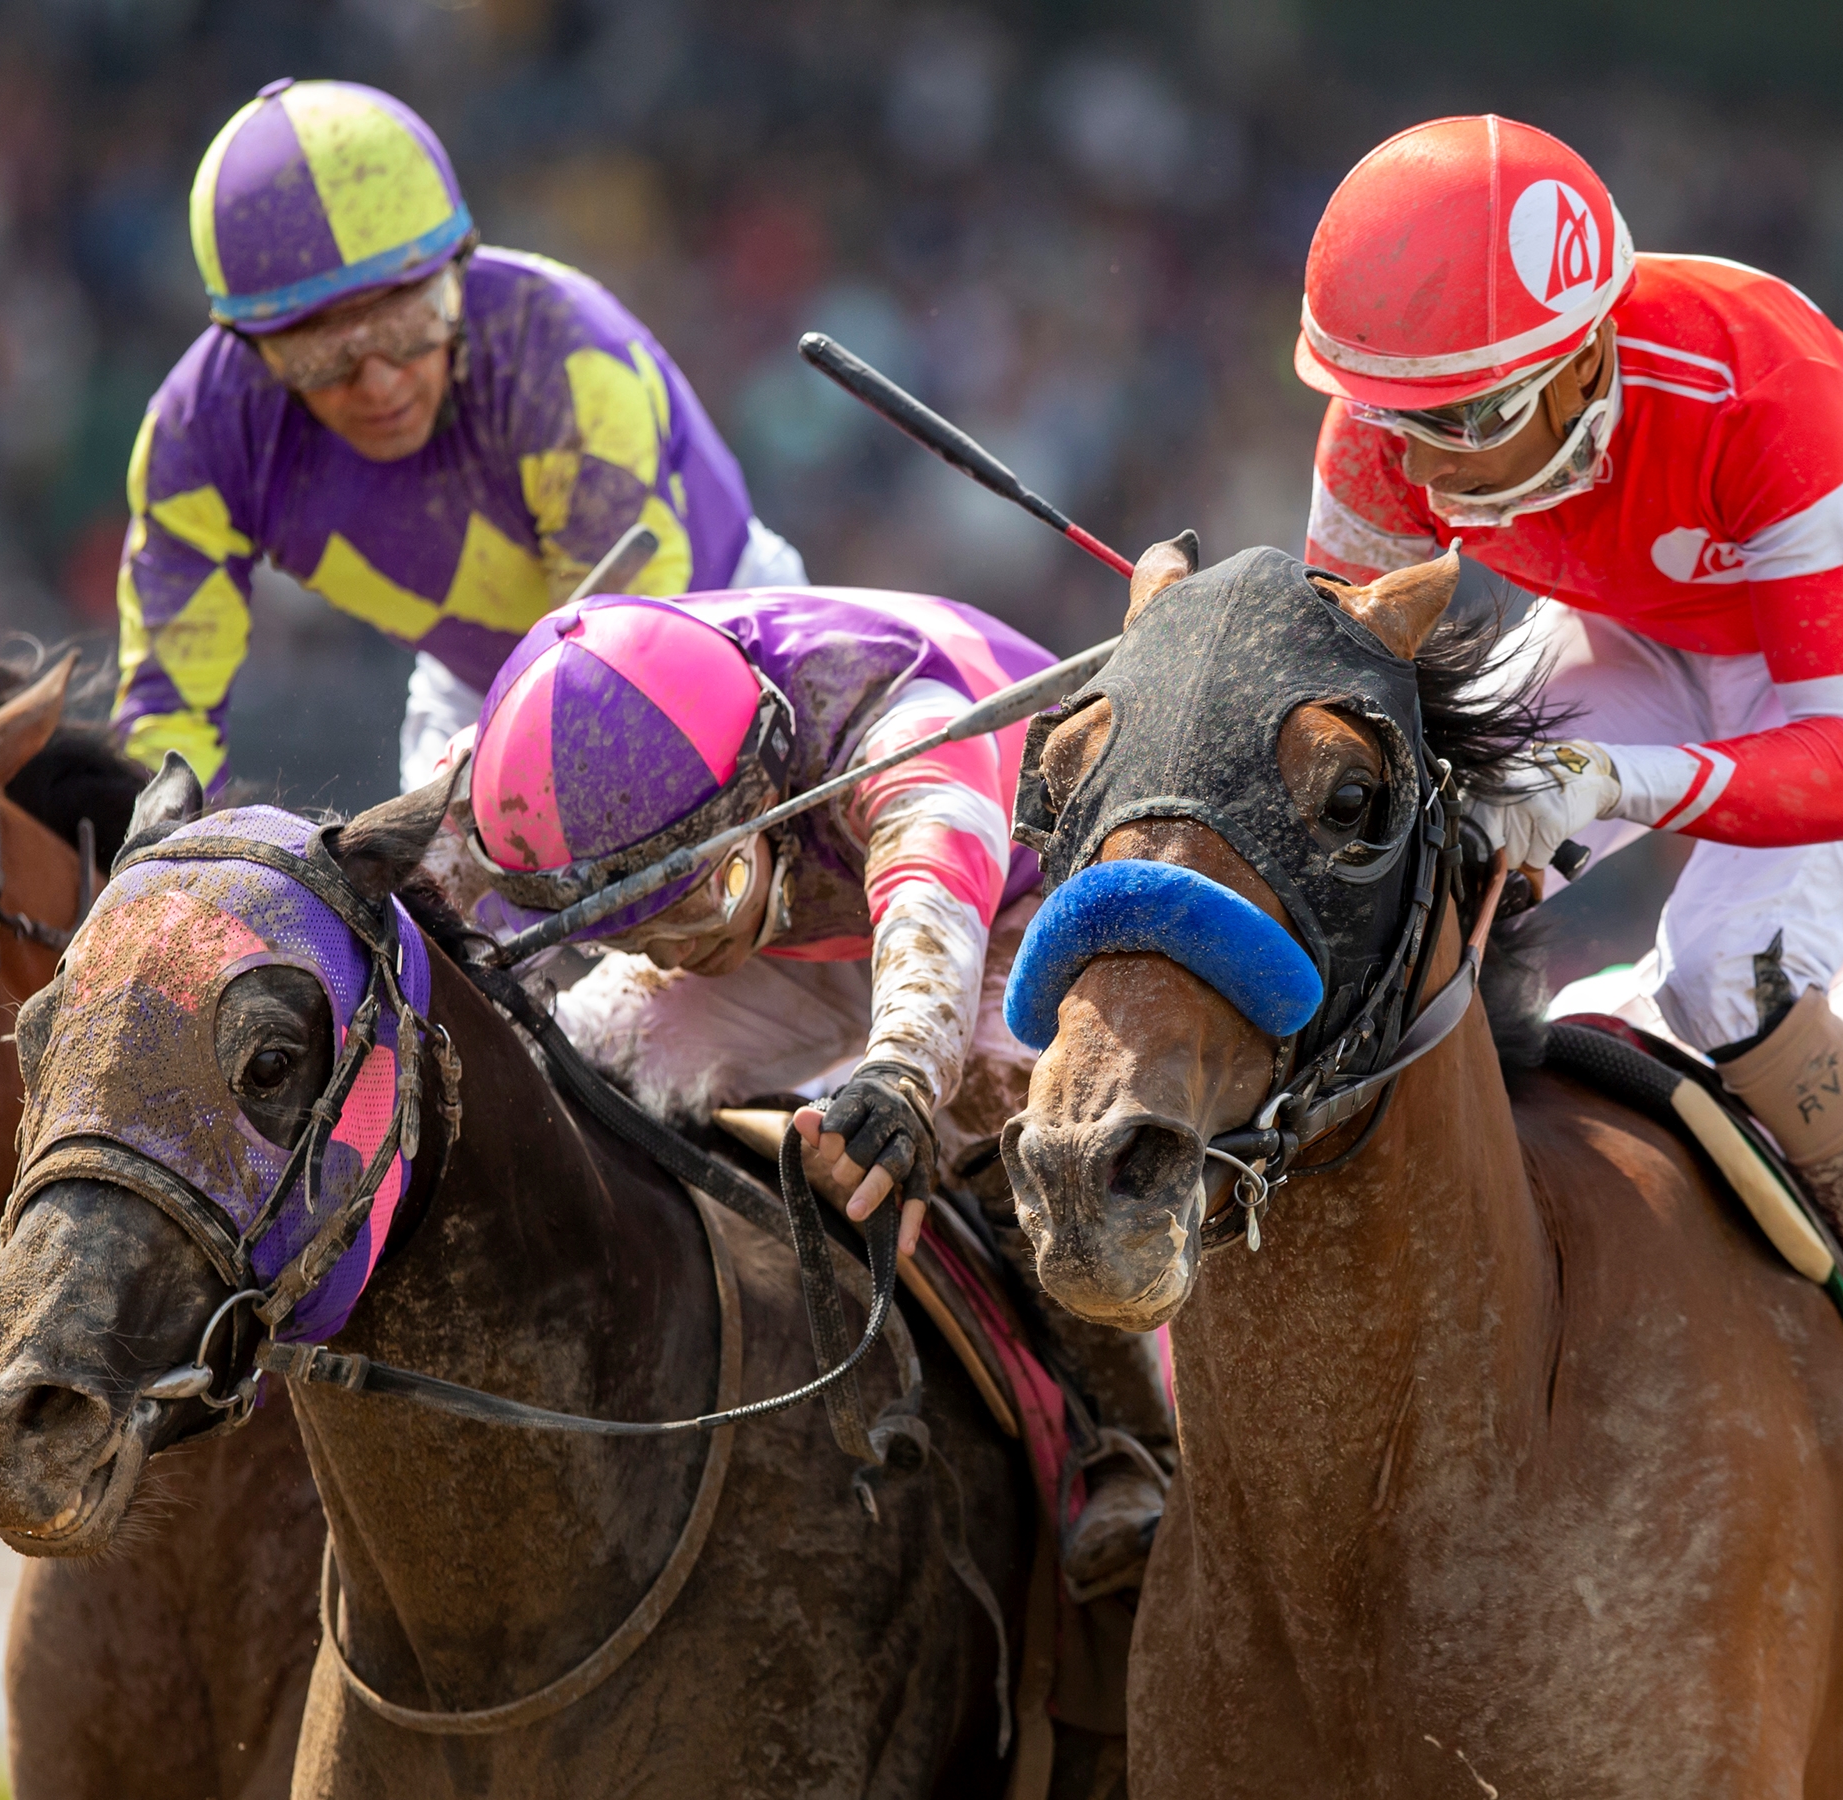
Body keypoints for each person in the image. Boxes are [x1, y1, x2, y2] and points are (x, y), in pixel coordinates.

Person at [1296, 114, 1843, 1567]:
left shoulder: (1752, 373)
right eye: (1403, 422)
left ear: (1586, 355)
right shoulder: (1391, 410)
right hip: (1641, 631)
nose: (1427, 467)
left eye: (1470, 423)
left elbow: (1841, 760)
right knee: (1391, 841)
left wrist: (1611, 780)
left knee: (1729, 967)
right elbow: (1326, 681)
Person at [441, 585, 1173, 1597]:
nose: (683, 953)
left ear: (761, 781)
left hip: (1017, 894)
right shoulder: (533, 760)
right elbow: (408, 866)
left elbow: (932, 897)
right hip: (802, 919)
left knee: (989, 1109)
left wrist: (902, 1076)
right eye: (639, 929)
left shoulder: (901, 714)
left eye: (704, 897)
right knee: (567, 1068)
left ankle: (1138, 1446)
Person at [111, 78, 802, 796]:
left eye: (407, 326)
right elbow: (165, 722)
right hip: (480, 688)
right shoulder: (200, 437)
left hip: (717, 628)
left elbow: (630, 658)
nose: (378, 383)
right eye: (321, 353)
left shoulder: (565, 355)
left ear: (458, 272)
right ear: (252, 349)